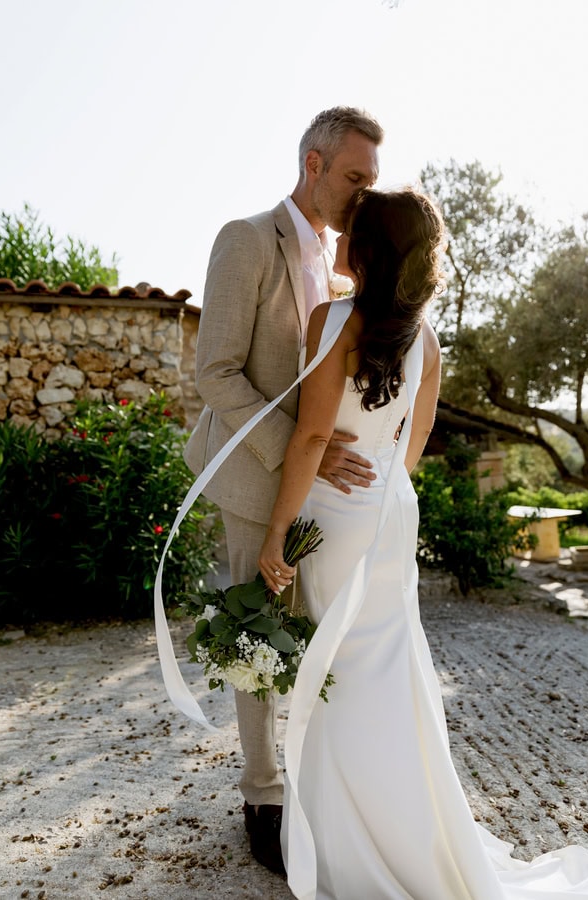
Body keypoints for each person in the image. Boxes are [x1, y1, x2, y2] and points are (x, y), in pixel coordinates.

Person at [258, 187, 588, 899]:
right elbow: (416, 438)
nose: (339, 237)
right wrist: (384, 486)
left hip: (336, 512)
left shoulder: (332, 320)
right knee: (387, 666)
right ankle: (406, 830)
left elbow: (312, 436)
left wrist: (278, 531)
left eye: (350, 230)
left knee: (335, 667)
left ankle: (347, 841)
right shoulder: (428, 340)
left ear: (367, 250)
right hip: (388, 509)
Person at [182, 106, 384, 873]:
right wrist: (296, 454)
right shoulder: (244, 240)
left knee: (307, 630)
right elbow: (215, 373)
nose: (365, 193)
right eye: (355, 177)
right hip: (252, 477)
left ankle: (303, 778)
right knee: (255, 637)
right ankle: (261, 798)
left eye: (372, 180)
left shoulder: (340, 266)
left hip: (314, 483)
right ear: (313, 164)